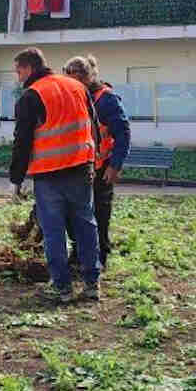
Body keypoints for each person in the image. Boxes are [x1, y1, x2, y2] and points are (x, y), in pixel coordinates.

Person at [8, 47, 101, 303]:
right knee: (86, 225)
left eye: (18, 71)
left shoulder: (31, 96)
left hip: (49, 176)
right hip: (81, 169)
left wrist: (16, 179)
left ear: (29, 68)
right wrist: (94, 161)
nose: (18, 77)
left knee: (54, 232)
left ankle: (62, 288)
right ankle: (92, 284)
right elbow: (93, 126)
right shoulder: (76, 86)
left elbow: (22, 141)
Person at [64, 55, 130, 266]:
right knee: (74, 215)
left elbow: (123, 134)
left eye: (76, 81)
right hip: (76, 167)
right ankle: (78, 252)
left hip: (101, 169)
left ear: (87, 78)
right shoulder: (73, 96)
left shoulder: (107, 100)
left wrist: (115, 165)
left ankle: (100, 256)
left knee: (100, 216)